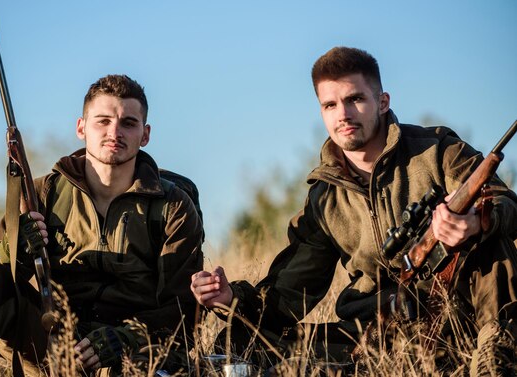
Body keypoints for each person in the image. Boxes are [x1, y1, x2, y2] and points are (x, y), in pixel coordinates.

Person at [190, 47, 517, 374]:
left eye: (355, 99)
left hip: (459, 317)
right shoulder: (324, 197)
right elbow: (289, 293)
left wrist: (476, 222)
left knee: (493, 240)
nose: (343, 114)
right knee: (238, 341)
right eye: (330, 105)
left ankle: (495, 358)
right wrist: (231, 297)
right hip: (374, 333)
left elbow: (506, 204)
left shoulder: (438, 151)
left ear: (383, 102)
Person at [0, 74, 204, 376]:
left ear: (145, 134)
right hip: (54, 342)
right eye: (103, 121)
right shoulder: (43, 193)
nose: (114, 132)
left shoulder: (173, 205)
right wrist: (16, 250)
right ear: (81, 127)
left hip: (132, 351)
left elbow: (182, 308)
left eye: (128, 123)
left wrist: (127, 337)